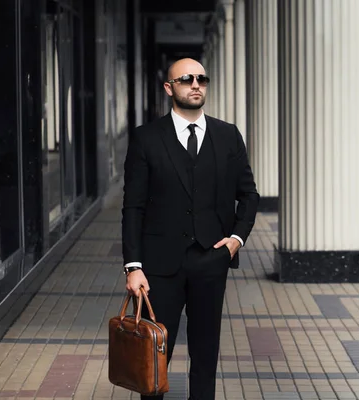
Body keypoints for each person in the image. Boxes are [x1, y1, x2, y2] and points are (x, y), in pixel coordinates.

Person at [121, 58, 259, 400]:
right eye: (186, 79)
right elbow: (133, 207)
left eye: (201, 78)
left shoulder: (228, 136)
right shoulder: (146, 139)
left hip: (211, 260)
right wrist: (133, 266)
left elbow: (249, 194)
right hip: (159, 266)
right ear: (169, 88)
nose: (196, 84)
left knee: (206, 352)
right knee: (154, 355)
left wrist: (236, 241)